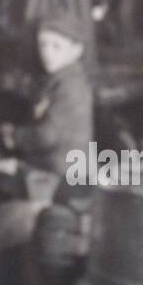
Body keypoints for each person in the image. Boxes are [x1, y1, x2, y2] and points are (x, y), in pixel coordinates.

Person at [20, 12, 94, 177]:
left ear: (77, 50)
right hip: (57, 169)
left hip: (63, 176)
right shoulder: (58, 79)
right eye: (43, 44)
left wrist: (16, 136)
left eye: (56, 46)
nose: (47, 52)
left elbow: (47, 136)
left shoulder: (70, 86)